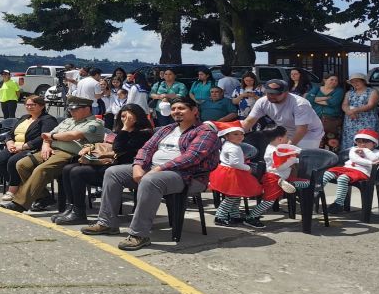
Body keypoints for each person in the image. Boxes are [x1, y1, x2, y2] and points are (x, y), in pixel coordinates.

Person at [81, 97, 219, 251]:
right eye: (173, 109)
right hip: (153, 169)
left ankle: (139, 234)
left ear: (194, 111)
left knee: (150, 180)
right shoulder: (168, 129)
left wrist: (159, 169)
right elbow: (146, 148)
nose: (176, 112)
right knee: (113, 172)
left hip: (187, 175)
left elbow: (192, 157)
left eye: (181, 108)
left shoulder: (205, 132)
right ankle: (107, 223)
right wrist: (138, 165)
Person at [0, 96, 105, 213]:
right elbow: (47, 135)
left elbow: (73, 135)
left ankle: (19, 204)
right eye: (70, 109)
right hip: (52, 149)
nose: (71, 112)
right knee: (22, 164)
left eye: (75, 109)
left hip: (71, 155)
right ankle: (44, 197)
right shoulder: (68, 121)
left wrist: (52, 137)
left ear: (87, 109)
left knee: (41, 170)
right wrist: (46, 145)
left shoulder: (95, 124)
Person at [53, 104, 153, 225]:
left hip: (124, 167)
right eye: (122, 116)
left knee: (77, 172)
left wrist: (125, 128)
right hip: (109, 163)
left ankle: (79, 213)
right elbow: (106, 145)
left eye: (128, 117)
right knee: (68, 168)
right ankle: (72, 207)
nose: (124, 120)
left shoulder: (143, 133)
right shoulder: (120, 130)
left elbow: (118, 148)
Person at [239, 127, 308, 229]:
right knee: (268, 201)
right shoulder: (275, 150)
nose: (288, 138)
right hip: (274, 178)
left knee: (307, 183)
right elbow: (280, 167)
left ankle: (289, 185)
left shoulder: (272, 147)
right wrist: (292, 160)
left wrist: (294, 160)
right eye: (286, 136)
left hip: (281, 177)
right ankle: (251, 218)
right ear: (279, 139)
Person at [0, 95, 59, 202]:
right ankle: (21, 186)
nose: (29, 107)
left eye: (33, 105)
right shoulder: (24, 117)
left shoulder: (48, 119)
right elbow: (10, 133)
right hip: (15, 146)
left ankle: (13, 190)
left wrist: (24, 146)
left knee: (13, 161)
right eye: (27, 105)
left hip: (32, 148)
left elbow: (44, 137)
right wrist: (9, 143)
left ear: (42, 106)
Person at [241, 79, 324, 149]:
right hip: (286, 130)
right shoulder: (262, 102)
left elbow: (301, 130)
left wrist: (287, 147)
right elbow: (249, 121)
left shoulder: (300, 104)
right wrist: (236, 136)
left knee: (301, 157)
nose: (271, 96)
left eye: (277, 93)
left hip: (309, 133)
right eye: (269, 93)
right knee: (275, 155)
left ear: (286, 92)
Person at [208, 121, 263, 227]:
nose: (240, 136)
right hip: (232, 173)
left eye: (241, 134)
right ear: (226, 136)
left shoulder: (229, 144)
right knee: (232, 197)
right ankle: (220, 217)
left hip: (228, 172)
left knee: (236, 196)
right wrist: (248, 168)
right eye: (235, 134)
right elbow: (235, 163)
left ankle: (234, 215)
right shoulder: (234, 147)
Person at [324, 129, 379, 214]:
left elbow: (374, 158)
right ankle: (314, 193)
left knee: (343, 178)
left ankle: (338, 203)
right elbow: (355, 159)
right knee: (327, 173)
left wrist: (366, 151)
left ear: (374, 143)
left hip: (361, 172)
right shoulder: (354, 149)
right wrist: (371, 163)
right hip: (346, 168)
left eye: (366, 141)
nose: (362, 144)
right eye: (359, 141)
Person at [341, 73, 379, 150]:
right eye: (352, 82)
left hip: (367, 121)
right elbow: (344, 104)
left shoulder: (372, 92)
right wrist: (348, 112)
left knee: (366, 141)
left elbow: (370, 105)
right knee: (350, 142)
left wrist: (354, 110)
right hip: (351, 121)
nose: (355, 83)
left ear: (363, 81)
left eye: (357, 81)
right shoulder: (349, 93)